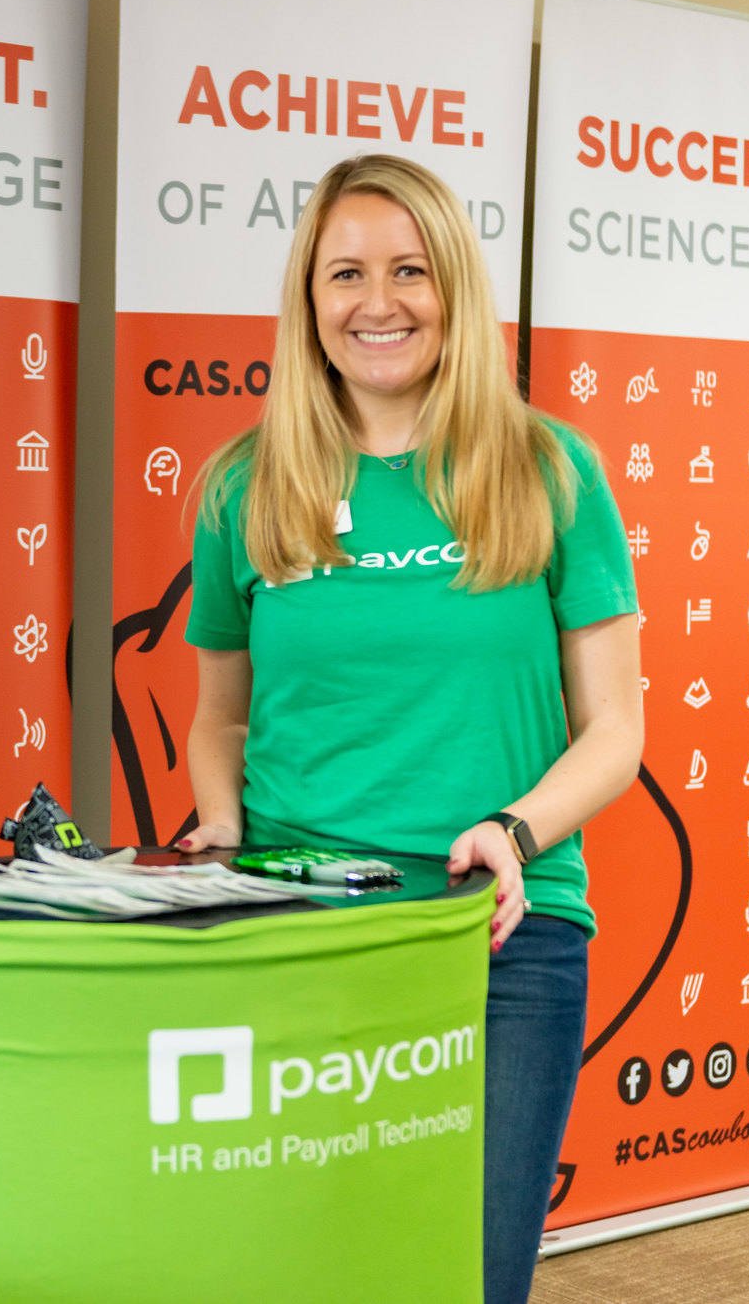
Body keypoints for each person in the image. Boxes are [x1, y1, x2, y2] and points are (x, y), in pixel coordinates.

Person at [179, 154, 643, 1303]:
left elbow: (614, 729)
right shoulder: (246, 484)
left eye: (408, 270)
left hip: (497, 933)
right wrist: (220, 825)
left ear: (454, 292)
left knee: (468, 1274)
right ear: (308, 299)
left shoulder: (547, 470)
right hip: (299, 923)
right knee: (303, 1267)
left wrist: (512, 830)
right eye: (344, 272)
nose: (375, 301)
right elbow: (216, 718)